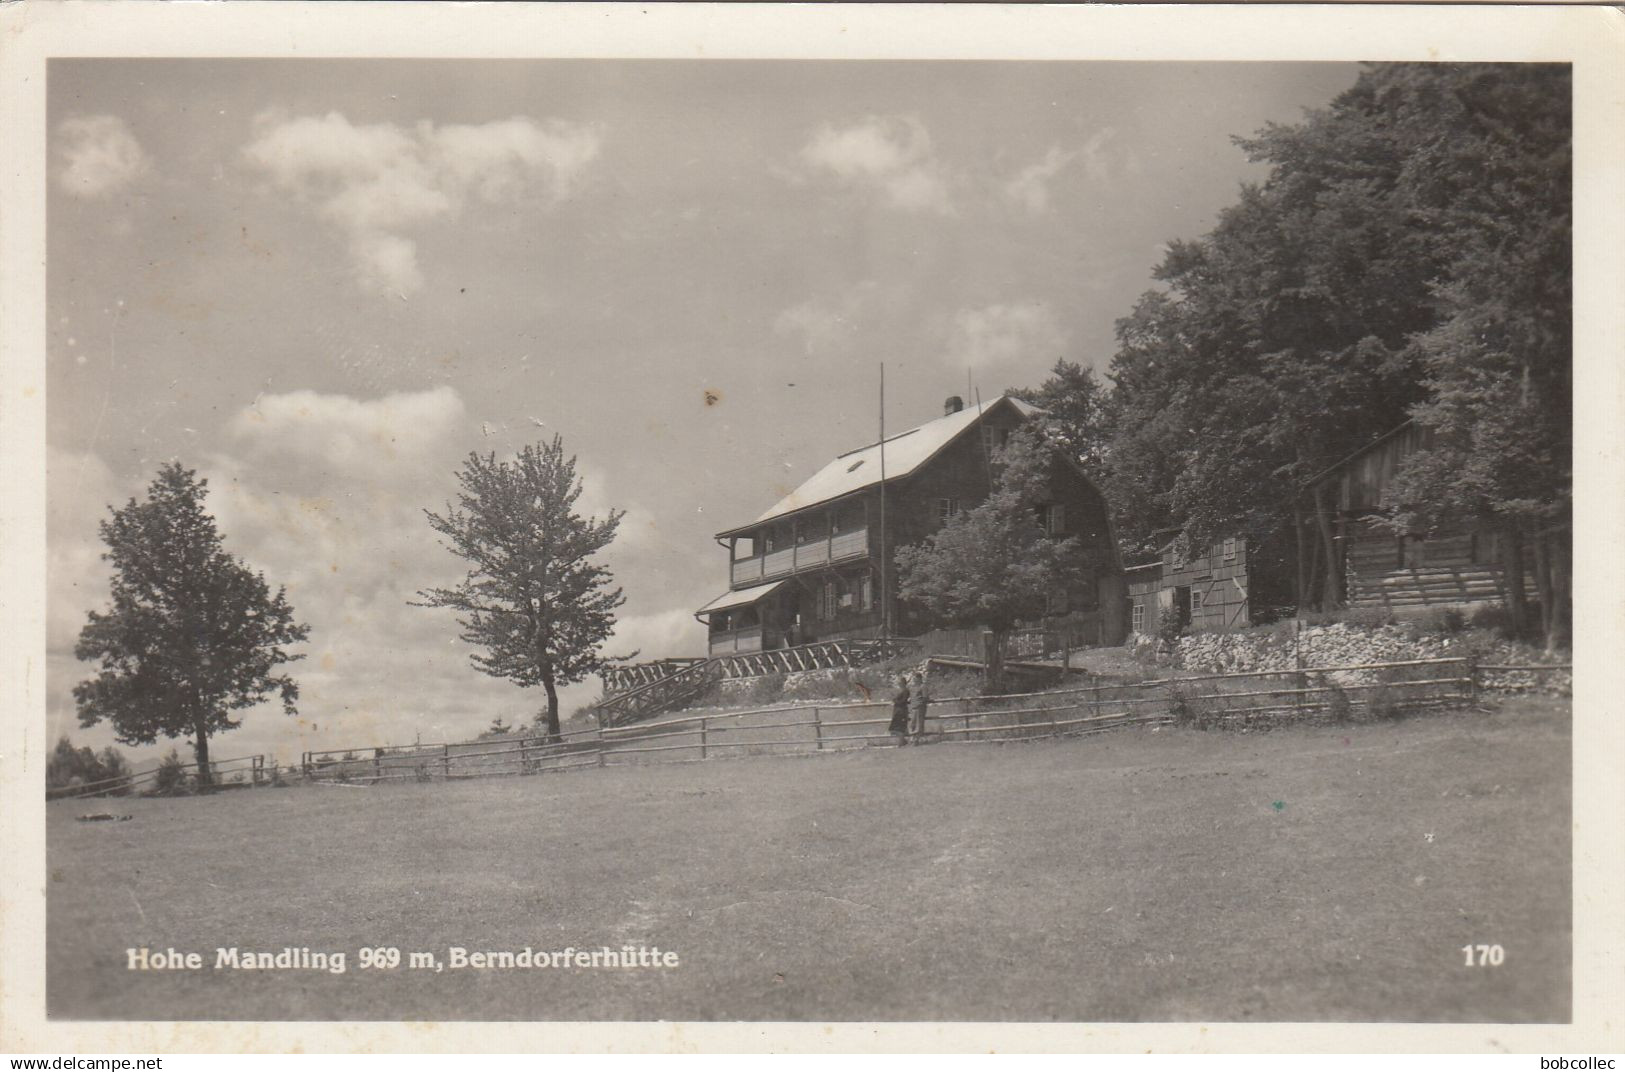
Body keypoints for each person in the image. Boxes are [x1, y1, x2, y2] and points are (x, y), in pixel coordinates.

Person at [908, 668, 930, 740]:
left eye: (915, 678)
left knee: (919, 724)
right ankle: (912, 738)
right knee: (912, 723)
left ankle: (917, 739)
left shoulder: (923, 686)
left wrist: (920, 704)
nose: (914, 680)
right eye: (914, 678)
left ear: (919, 679)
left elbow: (925, 697)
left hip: (919, 708)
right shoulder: (913, 687)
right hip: (913, 707)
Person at [888, 674, 911, 741]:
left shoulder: (905, 691)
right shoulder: (902, 690)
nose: (899, 684)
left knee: (899, 727)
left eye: (900, 682)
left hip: (901, 710)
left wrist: (895, 700)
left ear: (903, 683)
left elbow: (903, 701)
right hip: (898, 710)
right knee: (896, 727)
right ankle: (903, 740)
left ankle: (903, 741)